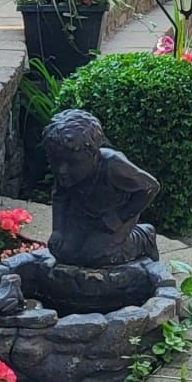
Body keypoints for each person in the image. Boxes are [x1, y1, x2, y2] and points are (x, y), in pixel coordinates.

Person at [42, 109, 159, 267]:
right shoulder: (65, 173)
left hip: (113, 217)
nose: (62, 170)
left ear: (93, 155)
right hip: (82, 217)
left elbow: (150, 187)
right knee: (61, 251)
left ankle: (143, 236)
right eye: (55, 161)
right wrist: (58, 230)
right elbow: (60, 197)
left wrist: (119, 217)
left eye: (73, 162)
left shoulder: (113, 165)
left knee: (97, 256)